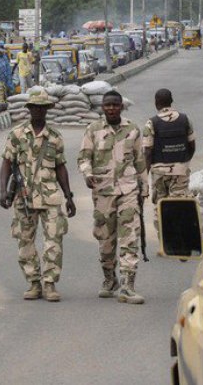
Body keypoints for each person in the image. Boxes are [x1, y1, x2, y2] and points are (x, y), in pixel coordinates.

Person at [0, 90, 76, 302]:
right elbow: (6, 163)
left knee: (54, 239)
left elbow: (61, 167)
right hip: (23, 197)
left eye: (42, 107)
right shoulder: (16, 134)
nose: (38, 111)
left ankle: (50, 283)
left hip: (50, 196)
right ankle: (33, 282)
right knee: (25, 240)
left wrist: (69, 196)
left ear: (47, 110)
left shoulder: (54, 136)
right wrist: (3, 191)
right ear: (30, 109)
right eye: (35, 107)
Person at [77, 90, 148, 305]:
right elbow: (84, 157)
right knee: (105, 240)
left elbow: (140, 161)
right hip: (103, 192)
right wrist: (88, 174)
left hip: (128, 191)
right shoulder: (93, 130)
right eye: (107, 105)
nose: (111, 108)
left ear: (121, 106)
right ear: (102, 107)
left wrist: (144, 188)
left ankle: (128, 285)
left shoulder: (133, 130)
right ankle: (110, 279)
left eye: (115, 105)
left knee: (129, 237)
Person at [142, 89, 195, 237]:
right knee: (179, 203)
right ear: (172, 101)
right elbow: (192, 146)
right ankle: (179, 236)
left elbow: (147, 152)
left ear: (156, 102)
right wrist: (183, 162)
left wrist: (145, 176)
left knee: (161, 203)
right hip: (180, 170)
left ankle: (164, 236)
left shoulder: (151, 123)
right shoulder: (185, 119)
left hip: (159, 172)